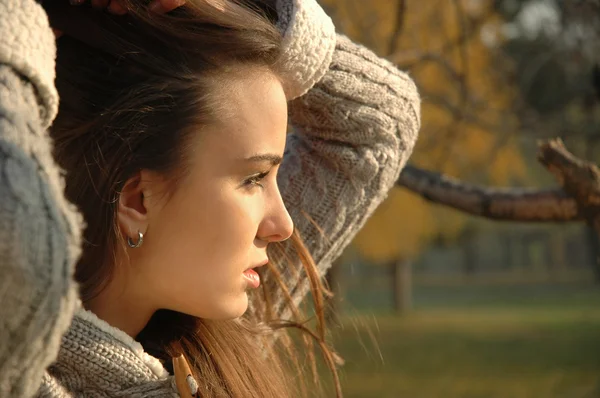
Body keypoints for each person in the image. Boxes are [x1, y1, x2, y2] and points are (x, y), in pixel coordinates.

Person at [0, 0, 421, 396]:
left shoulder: (219, 337)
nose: (283, 225)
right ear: (138, 203)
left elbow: (380, 124)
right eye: (254, 178)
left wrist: (227, 8)